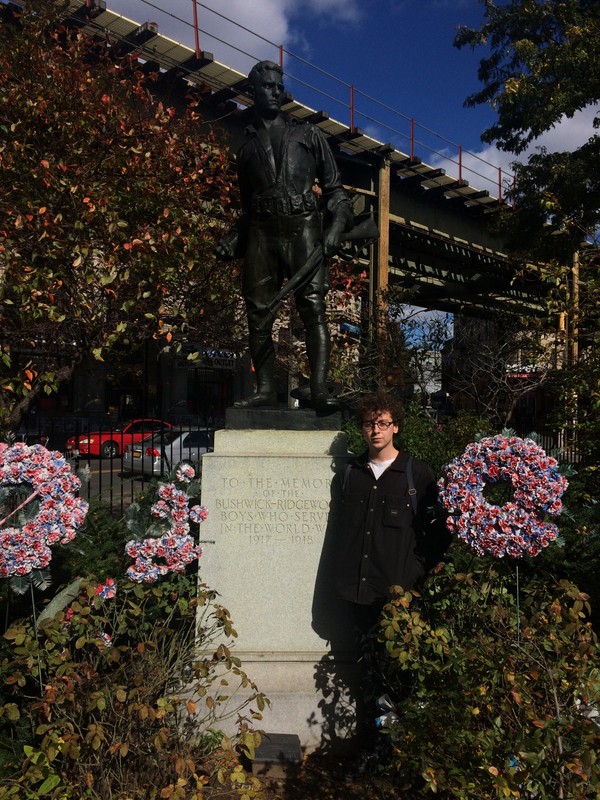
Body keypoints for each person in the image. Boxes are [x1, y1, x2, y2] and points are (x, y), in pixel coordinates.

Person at [215, 60, 354, 411]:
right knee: (258, 313)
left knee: (312, 307)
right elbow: (248, 207)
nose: (276, 92)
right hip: (262, 232)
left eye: (279, 86)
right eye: (268, 87)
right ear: (253, 92)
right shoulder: (244, 146)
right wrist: (235, 237)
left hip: (303, 227)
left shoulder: (308, 134)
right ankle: (264, 388)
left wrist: (335, 229)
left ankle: (319, 388)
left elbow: (337, 192)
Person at [331, 390, 450, 768]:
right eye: (369, 423)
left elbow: (440, 534)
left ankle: (393, 749)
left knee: (397, 673)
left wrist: (413, 574)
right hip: (357, 592)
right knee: (369, 673)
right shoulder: (351, 473)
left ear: (396, 426)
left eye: (383, 423)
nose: (375, 430)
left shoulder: (418, 474)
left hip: (398, 596)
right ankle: (375, 746)